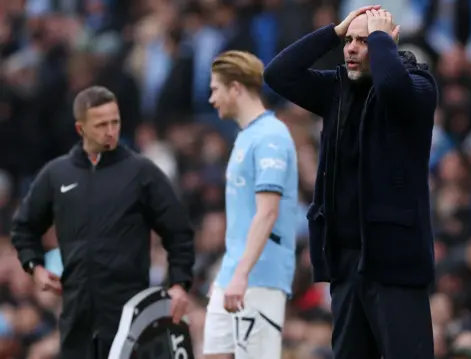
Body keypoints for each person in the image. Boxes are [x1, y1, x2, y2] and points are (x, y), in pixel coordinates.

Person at [264, 5, 437, 359]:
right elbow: (278, 74)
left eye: (363, 41)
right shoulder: (337, 88)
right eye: (349, 41)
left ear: (387, 43)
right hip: (346, 266)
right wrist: (333, 31)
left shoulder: (420, 86)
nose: (351, 48)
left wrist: (381, 40)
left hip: (394, 266)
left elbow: (392, 88)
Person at [10, 86, 195, 359]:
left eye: (115, 122)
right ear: (80, 127)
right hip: (76, 315)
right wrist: (34, 266)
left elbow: (179, 232)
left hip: (129, 313)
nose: (111, 130)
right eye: (101, 124)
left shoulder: (142, 172)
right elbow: (23, 227)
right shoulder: (56, 174)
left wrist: (179, 283)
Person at [202, 50, 299, 359]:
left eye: (215, 89)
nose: (211, 98)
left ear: (236, 88)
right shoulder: (246, 137)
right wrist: (227, 274)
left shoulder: (272, 136)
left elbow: (267, 212)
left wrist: (241, 274)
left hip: (260, 276)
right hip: (233, 273)